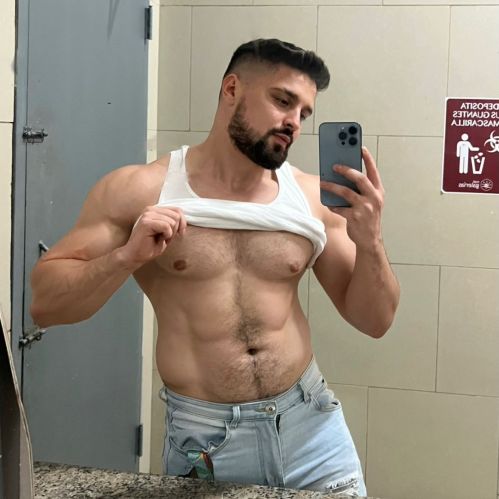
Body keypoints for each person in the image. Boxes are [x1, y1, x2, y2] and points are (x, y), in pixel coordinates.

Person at [30, 38, 400, 496]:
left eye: (304, 113)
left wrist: (371, 240)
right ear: (231, 89)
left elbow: (375, 320)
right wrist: (126, 257)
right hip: (207, 443)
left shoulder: (310, 199)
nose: (294, 122)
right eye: (282, 100)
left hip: (312, 431)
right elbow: (45, 304)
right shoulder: (140, 190)